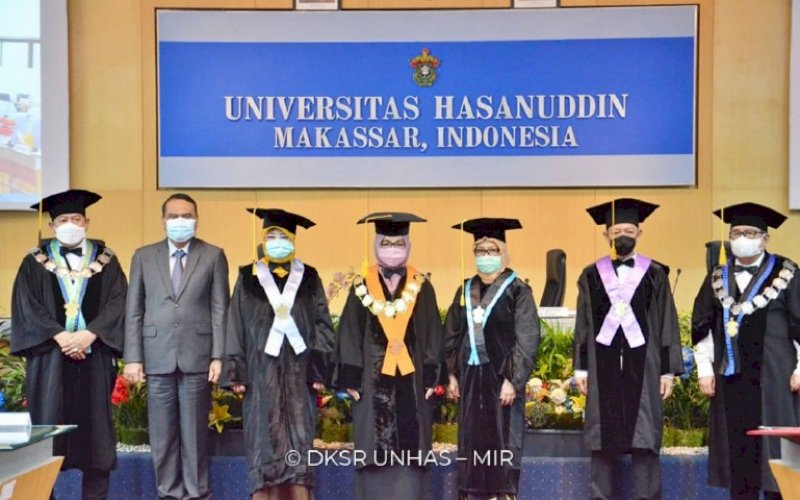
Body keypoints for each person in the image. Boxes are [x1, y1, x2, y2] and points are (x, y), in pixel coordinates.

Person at [10, 189, 127, 499]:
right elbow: (26, 306)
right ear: (52, 226)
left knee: (96, 438)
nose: (70, 224)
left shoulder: (107, 260)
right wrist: (60, 336)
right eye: (63, 219)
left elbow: (119, 303)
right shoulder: (33, 262)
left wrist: (91, 334)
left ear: (87, 222)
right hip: (50, 361)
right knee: (47, 439)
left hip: (95, 358)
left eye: (76, 218)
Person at [573, 198, 683, 500]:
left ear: (640, 232)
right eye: (617, 229)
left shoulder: (655, 273)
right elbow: (582, 323)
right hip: (601, 366)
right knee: (601, 437)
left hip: (644, 368)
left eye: (629, 230)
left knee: (644, 437)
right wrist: (580, 368)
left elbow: (666, 323)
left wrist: (667, 372)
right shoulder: (591, 275)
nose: (623, 234)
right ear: (606, 234)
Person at [223, 208, 335, 500]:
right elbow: (234, 324)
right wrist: (236, 371)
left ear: (293, 240)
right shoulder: (248, 277)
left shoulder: (308, 277)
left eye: (281, 236)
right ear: (263, 239)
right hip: (261, 376)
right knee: (264, 438)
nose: (276, 241)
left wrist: (319, 371)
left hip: (300, 376)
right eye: (270, 236)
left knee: (298, 439)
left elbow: (323, 324)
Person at [124, 193, 229, 500]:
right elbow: (134, 310)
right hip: (156, 357)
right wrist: (133, 358)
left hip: (198, 357)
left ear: (197, 219)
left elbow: (220, 309)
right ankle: (168, 493)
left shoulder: (213, 255)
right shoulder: (143, 256)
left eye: (187, 216)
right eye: (174, 216)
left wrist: (218, 356)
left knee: (195, 436)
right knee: (163, 435)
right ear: (163, 221)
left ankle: (197, 494)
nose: (181, 221)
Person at [692, 202, 800, 500]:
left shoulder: (786, 272)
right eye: (736, 232)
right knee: (738, 459)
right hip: (731, 379)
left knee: (778, 459)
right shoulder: (718, 276)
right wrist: (704, 370)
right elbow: (703, 324)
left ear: (765, 238)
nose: (741, 238)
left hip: (775, 378)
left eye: (750, 232)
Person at [334, 212, 443, 500]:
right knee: (373, 447)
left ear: (408, 244)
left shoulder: (422, 286)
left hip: (413, 381)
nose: (392, 249)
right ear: (376, 244)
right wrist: (350, 377)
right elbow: (348, 332)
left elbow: (433, 330)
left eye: (398, 243)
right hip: (371, 386)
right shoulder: (361, 286)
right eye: (386, 243)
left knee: (411, 450)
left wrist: (432, 374)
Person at [444, 217, 540, 500]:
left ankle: (502, 494)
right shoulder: (464, 290)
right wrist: (450, 374)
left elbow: (527, 337)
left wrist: (513, 378)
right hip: (471, 379)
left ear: (503, 252)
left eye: (491, 250)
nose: (485, 257)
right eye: (480, 251)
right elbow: (451, 332)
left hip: (501, 381)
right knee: (471, 441)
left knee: (503, 442)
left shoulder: (518, 290)